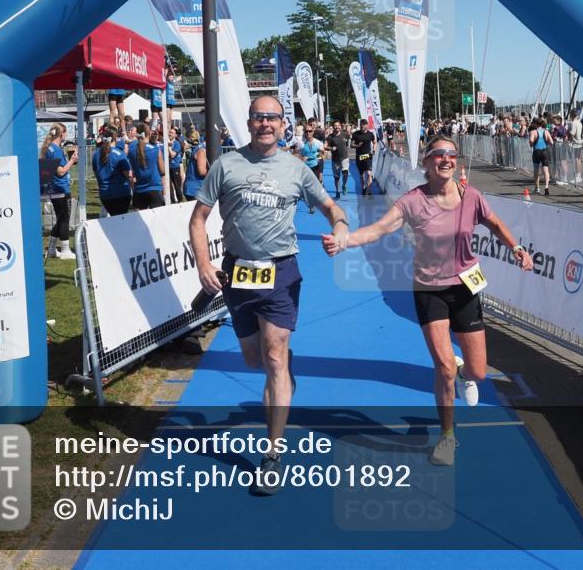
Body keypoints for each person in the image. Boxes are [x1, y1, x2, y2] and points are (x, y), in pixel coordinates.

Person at [322, 135, 531, 467]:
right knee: (443, 368)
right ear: (427, 162)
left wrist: (516, 248)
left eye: (451, 154)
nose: (446, 159)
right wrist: (345, 240)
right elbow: (378, 229)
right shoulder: (413, 201)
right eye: (438, 154)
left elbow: (495, 223)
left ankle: (463, 372)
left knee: (477, 372)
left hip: (465, 289)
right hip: (428, 290)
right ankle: (447, 436)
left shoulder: (471, 196)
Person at [189, 96, 349, 495]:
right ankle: (282, 369)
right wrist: (204, 264)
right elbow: (198, 219)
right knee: (253, 358)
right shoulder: (226, 165)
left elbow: (330, 207)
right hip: (238, 273)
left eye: (272, 118)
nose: (265, 123)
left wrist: (341, 228)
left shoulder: (295, 169)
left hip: (281, 273)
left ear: (283, 125)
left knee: (274, 357)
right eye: (258, 117)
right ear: (249, 123)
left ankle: (272, 455)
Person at [39, 122, 78, 259]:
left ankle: (51, 249)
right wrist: (72, 160)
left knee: (61, 218)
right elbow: (61, 171)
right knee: (64, 219)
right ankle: (65, 250)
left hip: (55, 188)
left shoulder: (51, 148)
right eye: (65, 132)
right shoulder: (54, 150)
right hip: (60, 188)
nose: (66, 135)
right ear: (61, 134)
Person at [92, 126, 133, 216]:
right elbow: (128, 174)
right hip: (120, 193)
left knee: (113, 219)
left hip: (105, 194)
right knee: (120, 220)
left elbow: (96, 173)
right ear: (115, 138)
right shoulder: (119, 154)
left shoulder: (96, 154)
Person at [128, 122, 165, 210]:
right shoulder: (156, 149)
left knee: (138, 218)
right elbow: (163, 171)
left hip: (139, 189)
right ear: (149, 133)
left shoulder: (131, 150)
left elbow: (131, 170)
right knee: (157, 218)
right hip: (154, 188)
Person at [298, 123, 326, 213]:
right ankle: (311, 204)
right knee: (306, 188)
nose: (308, 133)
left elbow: (323, 154)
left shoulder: (318, 143)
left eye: (310, 131)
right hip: (305, 168)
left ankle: (313, 204)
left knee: (314, 186)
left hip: (315, 166)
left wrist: (318, 157)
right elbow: (294, 155)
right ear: (304, 132)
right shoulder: (301, 143)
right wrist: (301, 158)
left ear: (313, 132)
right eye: (306, 131)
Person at [351, 119, 376, 197]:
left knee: (369, 174)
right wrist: (357, 145)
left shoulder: (370, 134)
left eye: (364, 124)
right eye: (361, 124)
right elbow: (351, 145)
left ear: (367, 125)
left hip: (368, 156)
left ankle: (369, 190)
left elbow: (374, 142)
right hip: (359, 157)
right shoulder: (356, 134)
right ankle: (363, 188)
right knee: (361, 175)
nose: (362, 126)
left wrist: (374, 150)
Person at [529, 117, 553, 196]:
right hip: (545, 151)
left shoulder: (533, 132)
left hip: (537, 151)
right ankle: (546, 187)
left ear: (536, 124)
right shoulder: (546, 132)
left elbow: (531, 141)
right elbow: (551, 142)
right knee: (546, 169)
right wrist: (546, 143)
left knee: (536, 170)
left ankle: (537, 188)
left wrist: (531, 144)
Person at [327, 121, 351, 198]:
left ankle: (344, 185)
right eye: (335, 125)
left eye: (338, 125)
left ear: (340, 126)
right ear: (333, 127)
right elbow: (325, 146)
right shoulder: (330, 137)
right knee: (337, 177)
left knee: (345, 173)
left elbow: (349, 139)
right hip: (335, 160)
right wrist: (331, 148)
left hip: (344, 158)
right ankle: (337, 191)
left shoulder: (344, 134)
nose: (337, 127)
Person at [183, 130, 208, 201]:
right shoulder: (202, 150)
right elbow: (202, 172)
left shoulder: (202, 147)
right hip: (195, 190)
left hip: (196, 188)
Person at [167, 127, 184, 203]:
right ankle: (172, 201)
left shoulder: (177, 143)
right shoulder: (165, 142)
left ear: (175, 135)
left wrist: (169, 147)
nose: (170, 134)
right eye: (169, 132)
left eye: (172, 133)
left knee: (177, 185)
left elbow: (173, 155)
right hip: (167, 167)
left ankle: (180, 200)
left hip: (175, 167)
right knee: (169, 186)